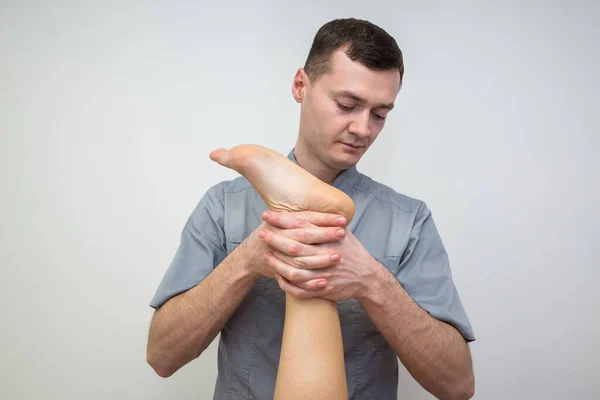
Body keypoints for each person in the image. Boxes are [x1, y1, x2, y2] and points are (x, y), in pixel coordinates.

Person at [146, 17, 476, 400]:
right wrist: (248, 259)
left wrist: (373, 282)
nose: (363, 129)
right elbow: (161, 356)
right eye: (347, 104)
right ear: (300, 85)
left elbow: (458, 386)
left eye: (380, 114)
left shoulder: (409, 222)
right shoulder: (224, 207)